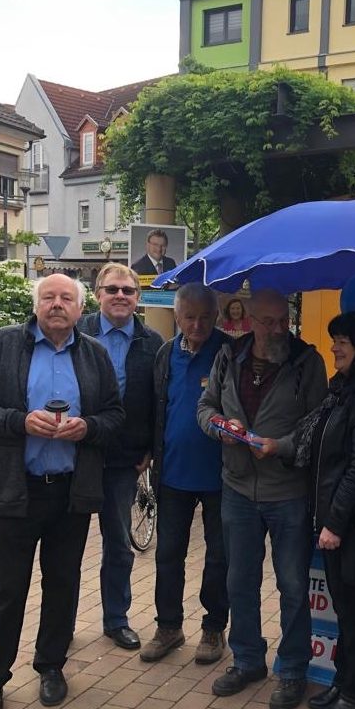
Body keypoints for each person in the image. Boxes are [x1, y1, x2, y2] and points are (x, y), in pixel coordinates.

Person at [0, 275, 124, 709]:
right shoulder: (3, 345)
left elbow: (114, 414)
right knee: (6, 589)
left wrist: (88, 427)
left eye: (67, 298)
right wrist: (19, 421)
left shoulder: (93, 353)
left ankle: (51, 666)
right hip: (19, 492)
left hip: (71, 491)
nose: (58, 305)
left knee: (63, 583)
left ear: (80, 308)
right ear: (36, 305)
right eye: (49, 297)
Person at [258, 311, 355, 709]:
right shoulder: (345, 388)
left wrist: (334, 523)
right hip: (336, 517)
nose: (333, 346)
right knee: (345, 607)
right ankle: (345, 680)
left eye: (342, 341)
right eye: (335, 338)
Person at [197, 289, 327, 709]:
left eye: (283, 320)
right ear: (249, 318)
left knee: (291, 583)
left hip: (287, 493)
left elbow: (316, 427)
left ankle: (292, 669)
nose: (278, 329)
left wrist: (280, 446)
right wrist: (221, 427)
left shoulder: (307, 362)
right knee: (240, 579)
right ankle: (248, 659)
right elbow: (205, 406)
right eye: (268, 322)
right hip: (236, 487)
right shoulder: (228, 356)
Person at [141, 283, 230, 664]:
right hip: (172, 473)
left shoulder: (230, 352)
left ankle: (213, 630)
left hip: (222, 477)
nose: (197, 325)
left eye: (205, 317)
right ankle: (169, 626)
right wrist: (146, 452)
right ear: (176, 316)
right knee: (168, 554)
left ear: (217, 317)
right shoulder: (164, 354)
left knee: (218, 557)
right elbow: (154, 408)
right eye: (189, 317)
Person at [77, 263, 163, 649]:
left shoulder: (152, 341)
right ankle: (59, 625)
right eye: (112, 289)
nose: (120, 296)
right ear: (97, 294)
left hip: (124, 461)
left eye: (128, 291)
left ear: (137, 298)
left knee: (118, 544)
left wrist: (149, 450)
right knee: (66, 545)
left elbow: (160, 403)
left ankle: (116, 619)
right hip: (76, 455)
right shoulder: (77, 335)